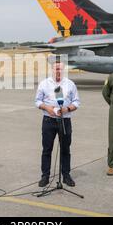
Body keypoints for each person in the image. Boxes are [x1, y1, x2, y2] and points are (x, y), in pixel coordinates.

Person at [35, 59, 80, 187]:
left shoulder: (70, 84)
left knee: (65, 149)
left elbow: (76, 102)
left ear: (63, 70)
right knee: (47, 149)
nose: (58, 71)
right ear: (52, 70)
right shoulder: (44, 84)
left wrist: (67, 109)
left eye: (60, 68)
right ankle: (45, 176)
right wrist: (47, 108)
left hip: (65, 120)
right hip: (49, 121)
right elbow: (37, 101)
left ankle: (66, 175)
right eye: (56, 68)